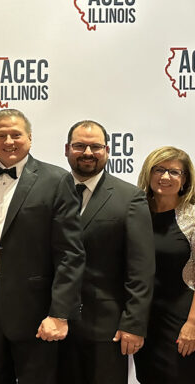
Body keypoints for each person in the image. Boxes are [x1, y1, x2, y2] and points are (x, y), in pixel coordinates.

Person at [0, 109, 85, 384]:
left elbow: (70, 253)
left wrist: (59, 313)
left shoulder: (56, 180)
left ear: (30, 139)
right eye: (1, 135)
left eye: (16, 134)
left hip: (35, 309)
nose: (9, 141)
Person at [58, 120, 155, 384]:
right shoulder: (50, 189)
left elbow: (141, 268)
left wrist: (134, 324)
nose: (87, 152)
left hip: (107, 327)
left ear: (108, 151)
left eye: (95, 147)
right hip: (56, 324)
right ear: (67, 149)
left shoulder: (129, 197)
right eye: (79, 146)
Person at [134, 146, 195, 383]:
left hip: (182, 321)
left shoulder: (192, 218)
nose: (165, 177)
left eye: (174, 172)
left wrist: (192, 324)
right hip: (143, 321)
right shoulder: (136, 212)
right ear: (148, 174)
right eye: (159, 170)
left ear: (185, 179)